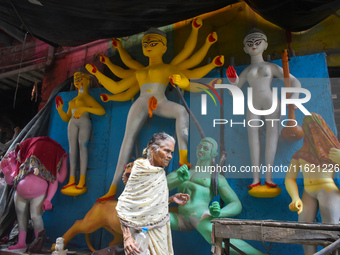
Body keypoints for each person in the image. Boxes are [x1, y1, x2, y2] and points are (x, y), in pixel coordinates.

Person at [86, 17, 224, 201]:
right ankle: (112, 189)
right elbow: (117, 87)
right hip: (141, 102)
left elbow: (189, 79)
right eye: (146, 43)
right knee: (127, 140)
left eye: (154, 42)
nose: (149, 45)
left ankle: (183, 158)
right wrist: (96, 73)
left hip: (160, 101)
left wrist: (208, 81)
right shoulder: (139, 72)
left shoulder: (168, 68)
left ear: (164, 47)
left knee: (181, 111)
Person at [226, 28, 301, 195]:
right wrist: (233, 82)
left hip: (271, 100)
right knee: (252, 138)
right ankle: (255, 178)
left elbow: (295, 82)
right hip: (252, 102)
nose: (253, 45)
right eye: (249, 43)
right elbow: (233, 93)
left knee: (272, 135)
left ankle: (269, 177)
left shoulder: (271, 66)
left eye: (257, 42)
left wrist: (293, 99)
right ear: (244, 48)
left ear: (265, 45)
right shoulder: (246, 71)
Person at [167, 137, 266, 255]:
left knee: (218, 235)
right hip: (179, 217)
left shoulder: (216, 177)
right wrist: (178, 179)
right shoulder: (184, 170)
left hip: (200, 217)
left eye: (206, 148)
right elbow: (160, 186)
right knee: (151, 220)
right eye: (200, 146)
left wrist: (219, 213)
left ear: (213, 153)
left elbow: (236, 204)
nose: (201, 150)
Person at [116, 132, 189, 255]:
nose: (170, 156)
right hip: (139, 235)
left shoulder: (160, 172)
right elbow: (126, 205)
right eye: (166, 151)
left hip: (160, 233)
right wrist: (127, 237)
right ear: (152, 149)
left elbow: (148, 203)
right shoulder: (140, 169)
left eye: (171, 152)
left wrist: (170, 199)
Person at [285, 113, 340, 255]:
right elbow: (290, 178)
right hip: (308, 193)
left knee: (331, 232)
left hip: (328, 190)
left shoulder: (333, 151)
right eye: (308, 128)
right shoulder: (299, 154)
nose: (313, 132)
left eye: (315, 127)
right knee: (303, 230)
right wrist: (295, 197)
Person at [0, 137, 68, 251]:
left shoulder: (48, 167)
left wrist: (48, 199)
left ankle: (39, 242)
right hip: (19, 195)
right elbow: (11, 180)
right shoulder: (22, 165)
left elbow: (57, 179)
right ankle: (21, 242)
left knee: (36, 217)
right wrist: (7, 173)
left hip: (38, 196)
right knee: (21, 218)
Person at [55, 72, 106, 196]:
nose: (78, 82)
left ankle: (82, 179)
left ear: (87, 81)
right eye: (76, 79)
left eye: (80, 79)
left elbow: (101, 110)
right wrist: (60, 110)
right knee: (72, 150)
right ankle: (72, 179)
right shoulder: (72, 101)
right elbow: (67, 118)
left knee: (83, 149)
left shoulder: (87, 98)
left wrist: (84, 109)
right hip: (72, 123)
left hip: (84, 122)